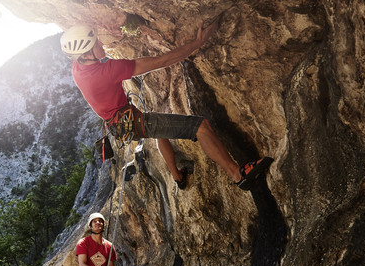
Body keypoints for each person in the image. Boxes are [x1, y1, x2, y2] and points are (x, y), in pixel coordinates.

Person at [61, 20, 272, 190]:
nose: (102, 45)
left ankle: (177, 175)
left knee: (159, 131)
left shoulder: (77, 69)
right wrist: (197, 43)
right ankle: (238, 175)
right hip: (133, 122)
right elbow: (162, 61)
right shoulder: (109, 70)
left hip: (119, 126)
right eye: (96, 44)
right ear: (86, 53)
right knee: (200, 126)